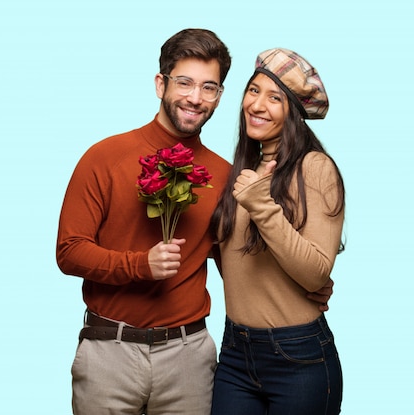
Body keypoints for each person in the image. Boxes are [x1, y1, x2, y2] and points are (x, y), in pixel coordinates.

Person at [56, 29, 333, 414]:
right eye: (184, 83)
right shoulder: (103, 157)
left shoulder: (225, 175)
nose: (195, 98)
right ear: (160, 84)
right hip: (109, 351)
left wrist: (303, 287)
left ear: (219, 96)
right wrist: (140, 265)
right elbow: (68, 253)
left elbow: (235, 260)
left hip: (188, 357)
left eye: (209, 87)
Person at [209, 48, 346, 414]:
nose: (257, 104)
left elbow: (316, 272)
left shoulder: (315, 168)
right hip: (236, 352)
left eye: (275, 98)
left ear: (294, 114)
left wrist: (262, 207)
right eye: (253, 91)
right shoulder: (243, 169)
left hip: (297, 355)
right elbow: (234, 259)